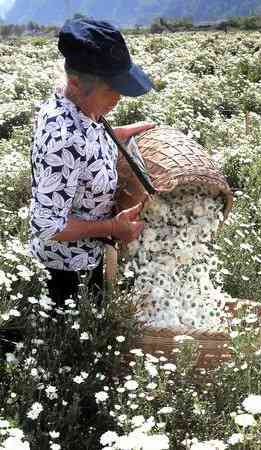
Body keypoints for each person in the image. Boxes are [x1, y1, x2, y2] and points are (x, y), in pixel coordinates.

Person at [29, 17, 155, 307]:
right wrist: (113, 228)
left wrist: (121, 135)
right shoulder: (62, 138)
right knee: (76, 344)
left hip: (89, 258)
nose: (119, 98)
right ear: (76, 81)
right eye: (111, 89)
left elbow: (86, 147)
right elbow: (48, 225)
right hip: (67, 274)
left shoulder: (78, 104)